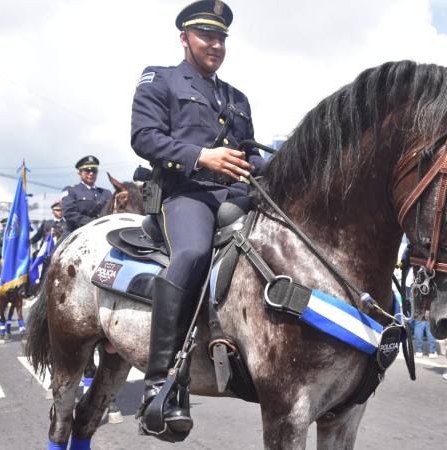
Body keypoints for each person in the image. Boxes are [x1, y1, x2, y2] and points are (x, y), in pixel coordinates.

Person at [130, 0, 265, 436]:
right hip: (185, 193)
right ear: (184, 37)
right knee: (191, 253)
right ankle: (162, 384)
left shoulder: (237, 97)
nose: (216, 44)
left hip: (239, 195)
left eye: (222, 37)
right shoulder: (161, 79)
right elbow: (144, 137)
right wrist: (201, 156)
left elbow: (251, 154)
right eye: (207, 35)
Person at [60, 155, 113, 234]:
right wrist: (94, 223)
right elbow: (69, 214)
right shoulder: (71, 191)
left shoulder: (106, 193)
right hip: (75, 233)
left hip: (102, 232)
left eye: (94, 170)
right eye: (87, 170)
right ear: (80, 173)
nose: (91, 173)